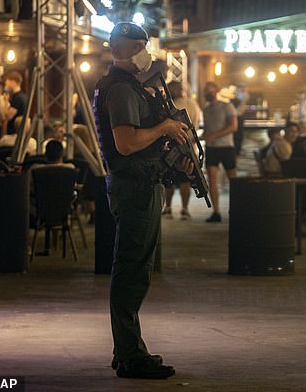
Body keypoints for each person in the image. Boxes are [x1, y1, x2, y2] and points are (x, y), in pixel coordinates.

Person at [93, 22, 194, 379]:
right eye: (136, 45)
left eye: (144, 45)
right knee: (131, 272)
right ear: (117, 50)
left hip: (143, 184)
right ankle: (130, 355)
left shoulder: (132, 86)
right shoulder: (120, 90)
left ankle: (128, 351)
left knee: (137, 270)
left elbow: (141, 142)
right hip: (134, 188)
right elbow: (126, 143)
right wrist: (165, 128)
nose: (143, 52)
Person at [162, 80, 202, 220]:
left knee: (170, 180)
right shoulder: (192, 104)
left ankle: (169, 208)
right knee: (184, 181)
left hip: (175, 146)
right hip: (189, 146)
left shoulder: (173, 105)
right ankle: (184, 209)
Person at [201, 81, 238, 223]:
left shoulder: (227, 106)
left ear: (216, 90)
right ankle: (216, 211)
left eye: (209, 90)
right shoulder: (206, 109)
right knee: (211, 180)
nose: (207, 93)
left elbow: (233, 126)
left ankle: (237, 208)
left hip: (226, 146)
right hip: (212, 148)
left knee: (233, 180)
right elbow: (207, 130)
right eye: (206, 91)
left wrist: (214, 135)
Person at [4, 71, 29, 135]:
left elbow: (8, 116)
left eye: (7, 80)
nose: (6, 82)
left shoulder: (18, 98)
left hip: (15, 133)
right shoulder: (23, 96)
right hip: (20, 132)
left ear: (13, 82)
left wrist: (6, 101)